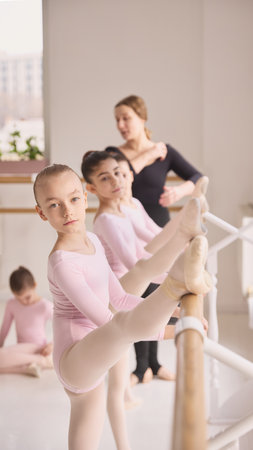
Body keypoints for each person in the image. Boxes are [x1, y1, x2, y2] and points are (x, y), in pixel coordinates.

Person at [34, 163, 211, 450]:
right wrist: (171, 329)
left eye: (73, 199)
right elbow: (110, 322)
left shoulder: (92, 240)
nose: (67, 211)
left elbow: (119, 299)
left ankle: (179, 261)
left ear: (85, 196)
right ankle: (176, 282)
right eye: (54, 205)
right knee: (119, 323)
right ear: (42, 213)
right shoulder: (62, 263)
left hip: (93, 356)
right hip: (74, 359)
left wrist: (178, 311)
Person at [81, 150, 208, 388]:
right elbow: (136, 266)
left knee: (119, 372)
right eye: (105, 178)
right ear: (92, 188)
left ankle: (190, 213)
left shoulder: (125, 208)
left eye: (118, 173)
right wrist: (175, 276)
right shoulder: (106, 219)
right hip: (120, 291)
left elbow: (154, 240)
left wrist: (181, 248)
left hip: (131, 285)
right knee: (123, 358)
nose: (116, 180)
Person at [105, 94, 203, 226]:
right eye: (117, 120)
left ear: (142, 118)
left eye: (126, 118)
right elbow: (123, 177)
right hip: (125, 226)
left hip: (160, 226)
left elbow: (199, 179)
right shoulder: (112, 154)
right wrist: (148, 155)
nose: (120, 125)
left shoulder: (164, 151)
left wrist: (179, 192)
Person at [0, 266, 53, 377]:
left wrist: (53, 344)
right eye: (19, 298)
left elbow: (63, 327)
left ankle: (41, 360)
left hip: (38, 348)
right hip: (21, 349)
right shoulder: (12, 304)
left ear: (34, 285)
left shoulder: (45, 306)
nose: (24, 302)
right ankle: (31, 366)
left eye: (27, 297)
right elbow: (4, 330)